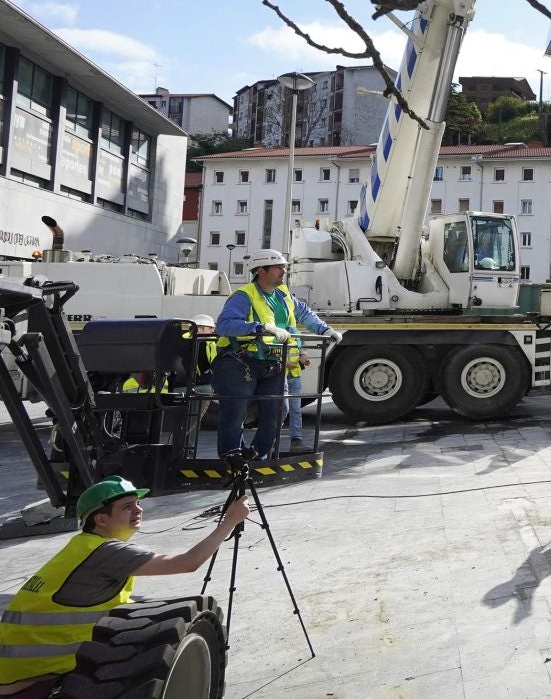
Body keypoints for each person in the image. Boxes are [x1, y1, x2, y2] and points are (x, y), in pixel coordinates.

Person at [0, 477, 249, 697]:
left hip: (15, 672)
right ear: (101, 519)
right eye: (127, 506)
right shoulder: (105, 551)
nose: (138, 509)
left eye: (138, 503)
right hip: (39, 676)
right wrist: (230, 521)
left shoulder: (81, 546)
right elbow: (188, 562)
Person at [214, 249, 339, 459]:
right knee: (234, 414)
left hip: (272, 364)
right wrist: (261, 328)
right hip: (239, 363)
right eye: (278, 267)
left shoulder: (283, 295)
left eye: (284, 267)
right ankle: (232, 459)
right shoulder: (244, 295)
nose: (284, 271)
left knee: (278, 412)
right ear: (261, 271)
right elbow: (225, 325)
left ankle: (255, 457)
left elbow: (304, 313)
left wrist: (324, 330)